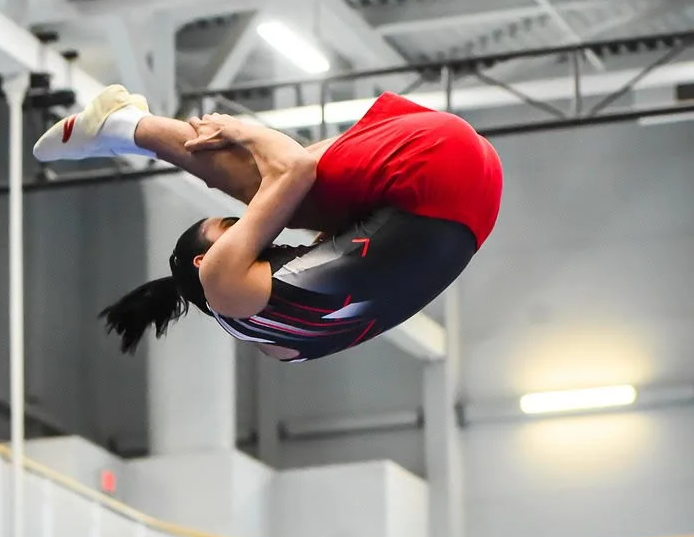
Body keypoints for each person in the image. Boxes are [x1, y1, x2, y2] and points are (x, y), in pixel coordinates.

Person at [33, 86, 503, 363]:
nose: (253, 227)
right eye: (230, 227)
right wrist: (244, 131)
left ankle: (126, 126)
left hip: (472, 202)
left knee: (301, 198)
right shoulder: (223, 285)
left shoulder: (280, 344)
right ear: (205, 259)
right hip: (438, 171)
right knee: (286, 189)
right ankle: (128, 127)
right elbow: (294, 169)